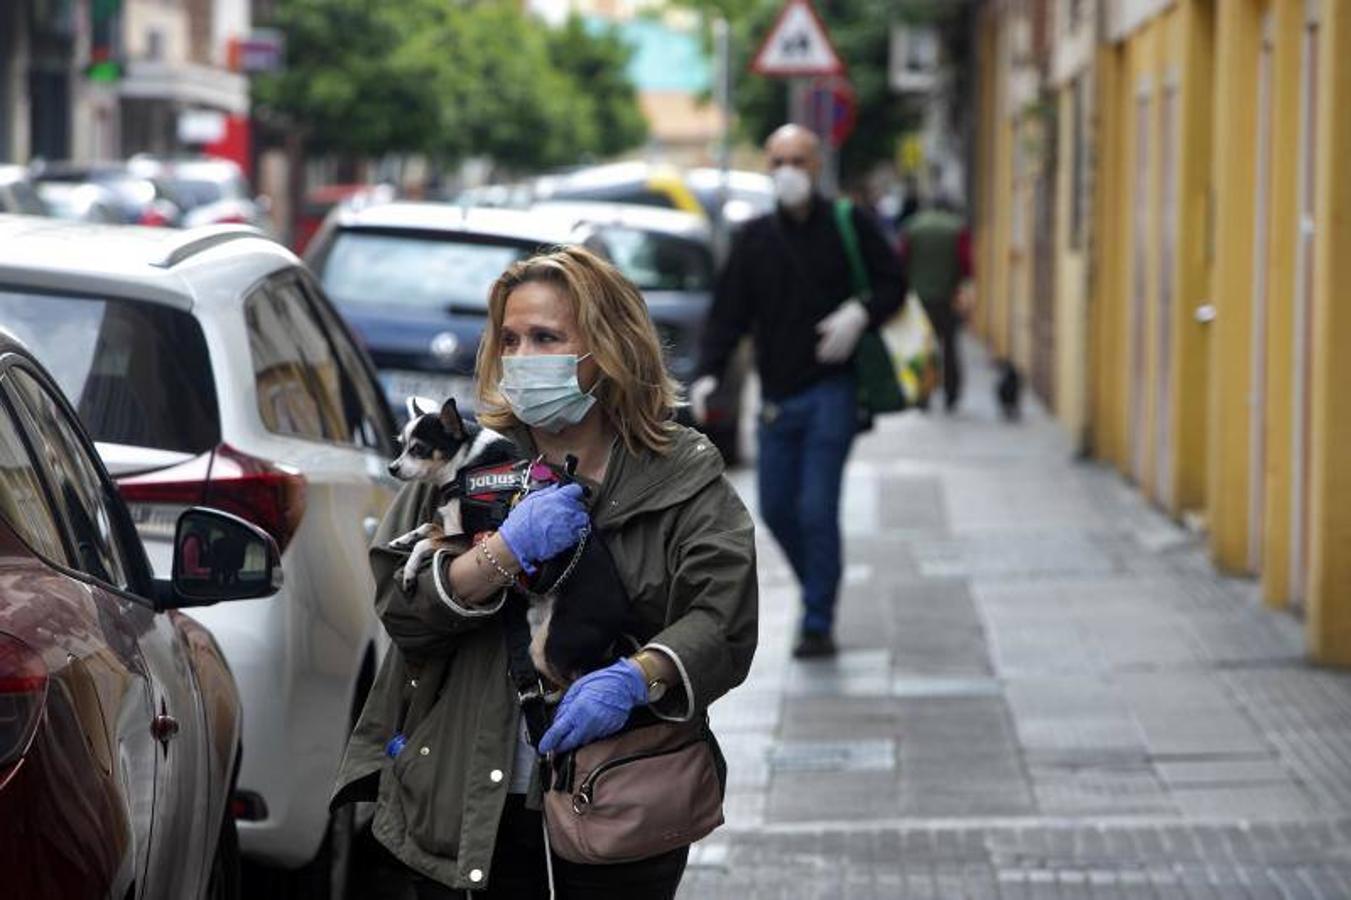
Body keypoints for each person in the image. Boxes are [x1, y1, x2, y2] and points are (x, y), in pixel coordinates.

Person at [332, 245, 758, 899]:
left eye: (546, 338)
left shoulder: (680, 475)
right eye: (509, 339)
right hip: (460, 802)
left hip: (619, 802)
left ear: (607, 350)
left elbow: (722, 618)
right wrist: (499, 553)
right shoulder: (464, 466)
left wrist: (638, 678)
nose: (522, 358)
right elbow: (400, 608)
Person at [689, 124, 906, 659]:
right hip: (776, 396)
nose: (788, 170)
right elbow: (729, 311)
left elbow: (892, 283)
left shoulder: (847, 222)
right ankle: (819, 585)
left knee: (816, 508)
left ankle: (816, 621)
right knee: (777, 507)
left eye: (799, 160)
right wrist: (710, 371)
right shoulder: (755, 237)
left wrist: (859, 313)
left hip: (833, 390)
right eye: (778, 160)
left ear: (817, 165)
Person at [897, 194, 973, 413]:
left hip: (919, 298)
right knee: (950, 346)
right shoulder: (957, 228)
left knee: (922, 348)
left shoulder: (912, 227)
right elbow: (966, 264)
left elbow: (902, 260)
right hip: (948, 297)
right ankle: (951, 394)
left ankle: (923, 394)